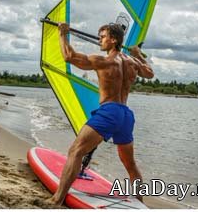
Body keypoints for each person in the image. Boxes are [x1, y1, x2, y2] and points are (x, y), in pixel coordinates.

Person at [49, 21, 153, 206]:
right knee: (130, 164)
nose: (99, 41)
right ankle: (140, 203)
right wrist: (138, 55)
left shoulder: (103, 61)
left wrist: (63, 34)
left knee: (76, 151)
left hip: (110, 111)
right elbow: (149, 73)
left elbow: (68, 56)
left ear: (113, 40)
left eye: (102, 37)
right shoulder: (133, 62)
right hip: (126, 115)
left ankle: (57, 199)